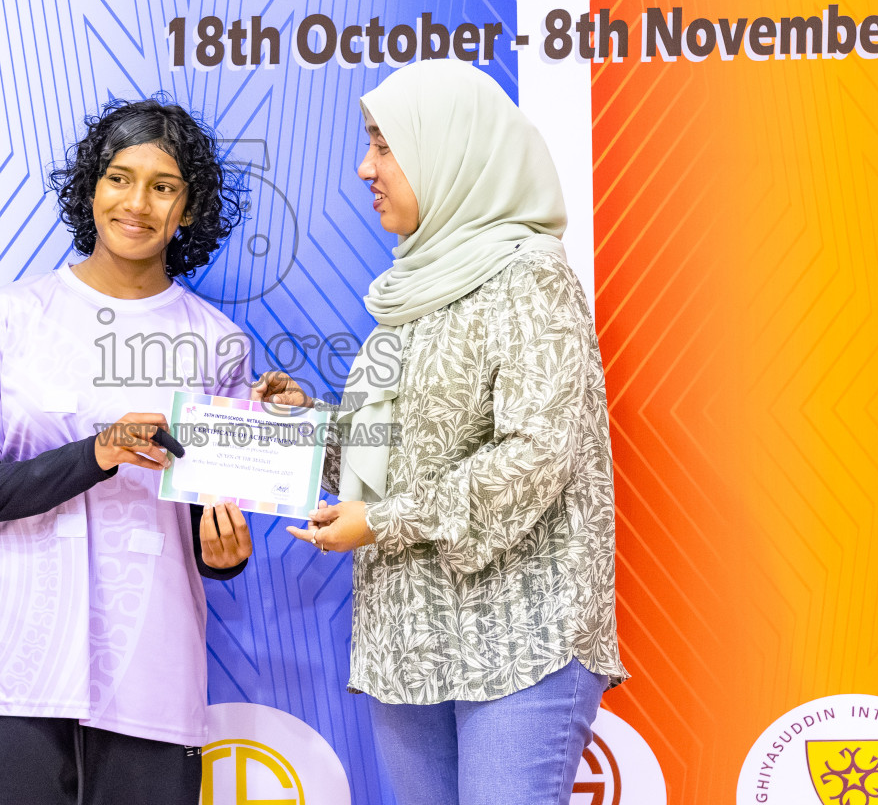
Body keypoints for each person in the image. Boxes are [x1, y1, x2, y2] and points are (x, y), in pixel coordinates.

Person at [259, 59, 627, 805]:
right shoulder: (413, 290)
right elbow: (386, 462)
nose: (366, 168)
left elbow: (535, 455)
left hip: (520, 634)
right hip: (408, 640)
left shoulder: (529, 277)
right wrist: (305, 430)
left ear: (450, 148)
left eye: (384, 146)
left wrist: (383, 521)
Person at [0, 97, 256, 805]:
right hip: (23, 669)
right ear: (91, 189)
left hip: (151, 663)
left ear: (190, 210)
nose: (137, 202)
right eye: (119, 177)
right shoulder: (11, 319)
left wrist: (227, 555)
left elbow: (210, 524)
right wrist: (99, 453)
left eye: (163, 185)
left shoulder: (216, 343)